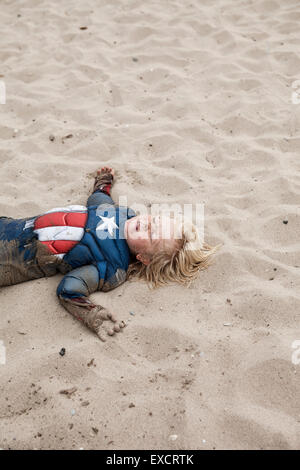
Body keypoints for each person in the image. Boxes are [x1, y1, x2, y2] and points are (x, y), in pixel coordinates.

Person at [0, 167, 219, 341]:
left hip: (10, 258)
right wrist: (103, 183)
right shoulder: (122, 212)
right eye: (155, 220)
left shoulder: (112, 267)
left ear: (144, 258)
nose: (146, 224)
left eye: (152, 236)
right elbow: (97, 201)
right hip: (10, 226)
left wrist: (91, 313)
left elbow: (70, 288)